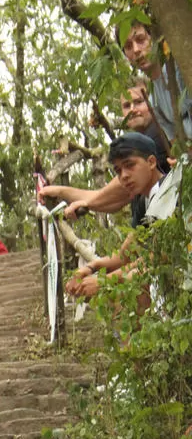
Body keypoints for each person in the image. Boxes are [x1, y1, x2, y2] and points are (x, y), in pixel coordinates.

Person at [65, 132, 179, 309]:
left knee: (129, 285)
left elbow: (160, 256)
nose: (124, 176)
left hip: (179, 279)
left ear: (151, 162)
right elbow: (126, 254)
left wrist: (103, 280)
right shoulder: (143, 201)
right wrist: (90, 268)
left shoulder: (171, 191)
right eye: (118, 171)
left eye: (130, 165)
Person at [40, 84, 170, 221]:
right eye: (126, 105)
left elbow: (118, 193)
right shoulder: (138, 144)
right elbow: (114, 201)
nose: (132, 109)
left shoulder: (160, 133)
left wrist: (68, 194)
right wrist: (61, 192)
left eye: (139, 102)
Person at [119, 18, 192, 145]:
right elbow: (178, 145)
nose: (136, 50)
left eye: (140, 40)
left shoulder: (182, 66)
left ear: (154, 38)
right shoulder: (154, 102)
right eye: (128, 46)